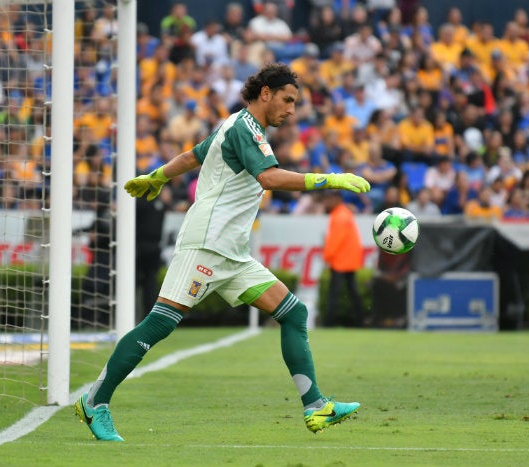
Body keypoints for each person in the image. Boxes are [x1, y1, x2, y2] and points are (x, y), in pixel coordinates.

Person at [75, 63, 370, 441]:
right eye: (287, 99)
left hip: (232, 253)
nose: (292, 110)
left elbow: (192, 157)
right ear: (265, 93)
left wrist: (157, 176)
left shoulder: (235, 127)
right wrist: (329, 179)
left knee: (293, 312)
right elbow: (270, 178)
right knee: (160, 323)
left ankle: (315, 407)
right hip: (207, 245)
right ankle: (95, 400)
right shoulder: (246, 127)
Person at [322, 191, 365, 327]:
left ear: (336, 199)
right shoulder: (345, 213)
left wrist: (327, 257)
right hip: (349, 260)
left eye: (328, 199)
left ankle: (329, 324)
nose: (326, 203)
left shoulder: (339, 216)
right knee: (353, 293)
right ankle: (361, 321)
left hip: (341, 261)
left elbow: (335, 240)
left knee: (334, 294)